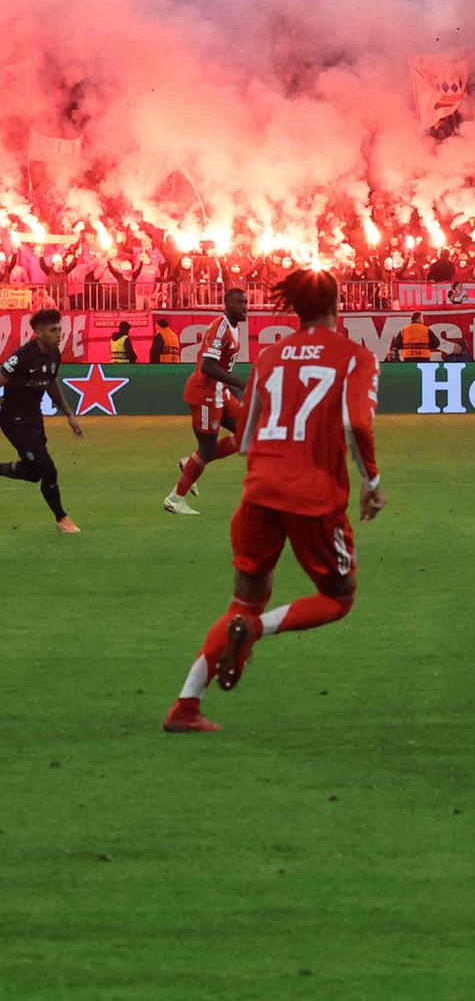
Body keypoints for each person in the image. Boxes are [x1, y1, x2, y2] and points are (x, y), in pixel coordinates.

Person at [163, 269, 385, 733]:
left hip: (259, 494)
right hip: (313, 500)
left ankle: (185, 705)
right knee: (339, 597)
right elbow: (359, 425)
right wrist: (371, 481)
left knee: (243, 603)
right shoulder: (355, 356)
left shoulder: (269, 356)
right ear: (335, 305)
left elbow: (243, 439)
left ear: (295, 308)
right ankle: (257, 632)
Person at [164, 289, 248, 515]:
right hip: (205, 394)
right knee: (207, 449)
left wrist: (229, 386)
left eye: (246, 302)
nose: (245, 307)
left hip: (220, 391)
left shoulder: (233, 327)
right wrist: (239, 383)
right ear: (227, 305)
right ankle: (175, 498)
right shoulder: (221, 328)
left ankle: (191, 462)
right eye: (240, 303)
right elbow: (208, 366)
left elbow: (219, 365)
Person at [0, 308, 83, 534]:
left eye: (60, 329)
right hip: (13, 420)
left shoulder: (55, 354)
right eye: (53, 330)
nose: (59, 334)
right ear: (38, 332)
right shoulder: (22, 357)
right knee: (48, 470)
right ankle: (62, 518)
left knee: (34, 472)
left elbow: (50, 383)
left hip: (34, 419)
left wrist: (69, 414)